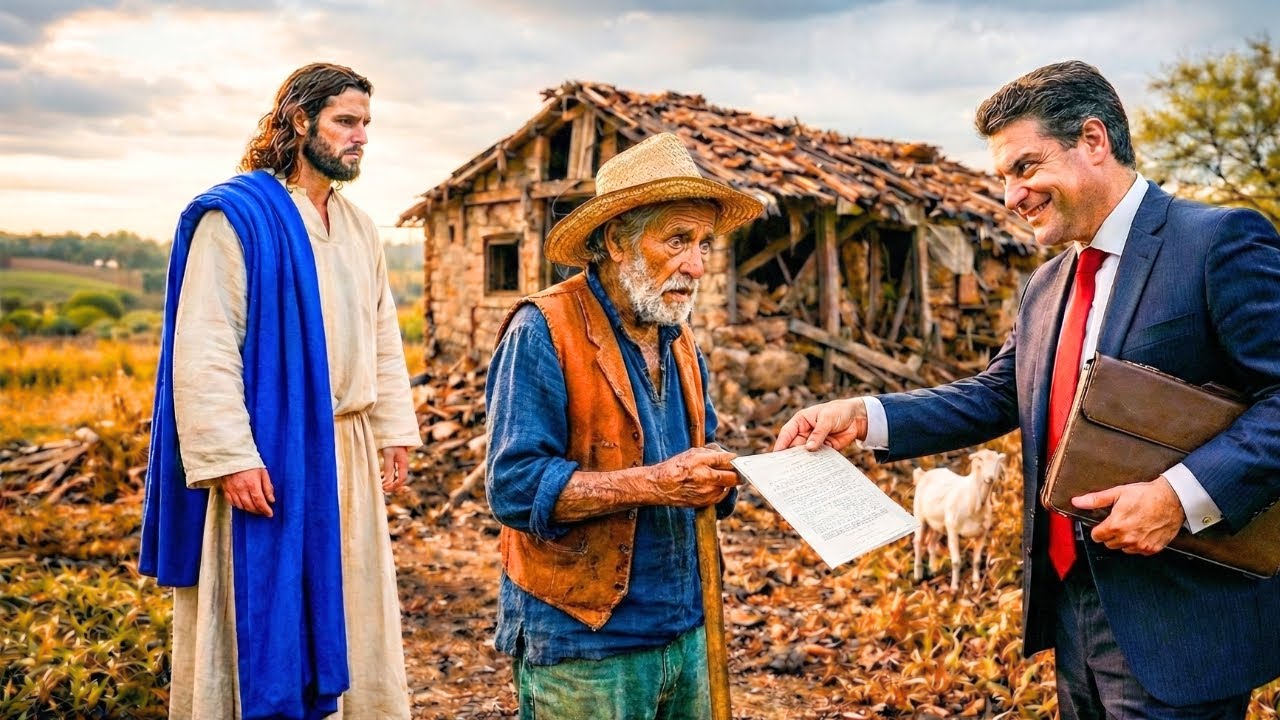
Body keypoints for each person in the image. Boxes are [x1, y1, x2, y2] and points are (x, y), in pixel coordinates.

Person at [774, 60, 1280, 719]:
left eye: (1025, 167)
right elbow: (997, 394)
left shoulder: (1217, 241)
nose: (1012, 197)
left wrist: (1178, 498)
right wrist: (864, 415)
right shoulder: (1045, 285)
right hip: (1071, 609)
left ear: (1092, 141)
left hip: (1182, 621)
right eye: (1003, 178)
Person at [139, 62, 422, 719]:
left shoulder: (359, 227)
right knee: (260, 615)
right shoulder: (238, 219)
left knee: (350, 603)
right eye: (345, 122)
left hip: (346, 451)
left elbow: (382, 333)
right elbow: (205, 345)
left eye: (365, 124)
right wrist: (231, 457)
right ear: (299, 120)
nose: (360, 137)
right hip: (269, 457)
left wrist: (393, 431)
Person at [484, 132, 762, 719]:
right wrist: (656, 484)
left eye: (704, 244)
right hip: (586, 642)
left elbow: (700, 451)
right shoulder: (543, 330)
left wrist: (741, 471)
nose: (696, 265)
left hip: (687, 624)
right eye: (678, 240)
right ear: (616, 241)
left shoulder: (678, 337)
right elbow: (514, 487)